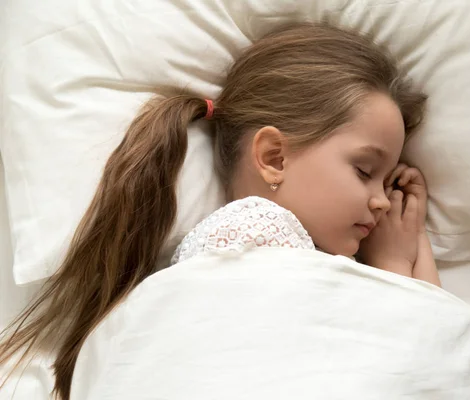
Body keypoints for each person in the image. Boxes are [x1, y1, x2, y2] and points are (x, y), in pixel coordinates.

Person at [0, 22, 439, 399]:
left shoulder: (289, 256)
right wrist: (395, 264)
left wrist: (403, 255)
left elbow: (442, 346)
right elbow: (403, 355)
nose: (382, 201)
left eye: (386, 181)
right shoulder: (253, 230)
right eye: (365, 171)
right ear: (273, 158)